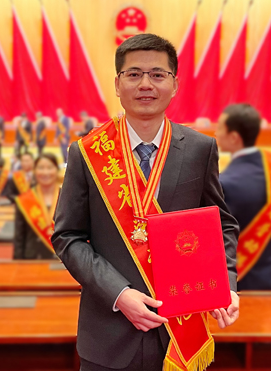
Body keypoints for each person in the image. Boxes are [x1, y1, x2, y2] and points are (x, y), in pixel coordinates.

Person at [52, 33, 239, 371]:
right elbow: (68, 237)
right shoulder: (87, 153)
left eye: (157, 74)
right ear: (117, 83)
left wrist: (224, 286)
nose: (145, 84)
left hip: (181, 327)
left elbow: (221, 224)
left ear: (174, 84)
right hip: (108, 334)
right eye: (134, 74)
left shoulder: (200, 148)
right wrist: (119, 294)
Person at [216, 103, 271, 290]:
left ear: (234, 137)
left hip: (246, 282)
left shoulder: (225, 183)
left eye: (219, 128)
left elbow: (220, 239)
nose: (216, 134)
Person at [14, 153, 60, 260]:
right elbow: (19, 238)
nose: (45, 172)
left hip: (62, 262)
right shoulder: (24, 200)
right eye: (41, 168)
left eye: (50, 168)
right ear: (34, 171)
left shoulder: (68, 198)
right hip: (32, 260)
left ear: (57, 170)